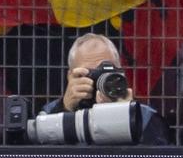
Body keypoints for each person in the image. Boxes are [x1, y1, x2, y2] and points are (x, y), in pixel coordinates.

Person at [41, 30, 173, 142]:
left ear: (120, 72)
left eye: (105, 73)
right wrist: (64, 109)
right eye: (90, 74)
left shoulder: (144, 116)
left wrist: (127, 117)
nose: (99, 81)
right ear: (70, 76)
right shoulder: (49, 113)